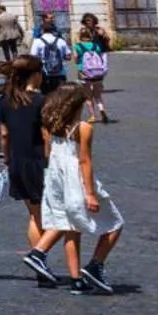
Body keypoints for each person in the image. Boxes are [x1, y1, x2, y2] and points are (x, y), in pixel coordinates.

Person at [39, 85, 124, 295]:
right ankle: (95, 265)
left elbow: (48, 153)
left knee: (70, 227)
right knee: (115, 223)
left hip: (56, 180)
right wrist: (91, 194)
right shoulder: (83, 127)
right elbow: (85, 161)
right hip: (76, 181)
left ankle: (76, 279)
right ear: (76, 104)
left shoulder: (49, 125)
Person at [0, 55, 57, 286]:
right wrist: (50, 160)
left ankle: (41, 267)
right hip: (37, 162)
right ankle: (39, 258)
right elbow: (46, 135)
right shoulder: (41, 101)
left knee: (33, 216)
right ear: (35, 75)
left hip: (17, 163)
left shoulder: (6, 101)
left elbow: (4, 134)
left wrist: (7, 159)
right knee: (50, 216)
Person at [74, 13, 111, 124]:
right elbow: (101, 55)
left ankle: (93, 116)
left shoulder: (78, 46)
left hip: (84, 73)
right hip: (97, 73)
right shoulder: (96, 46)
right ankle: (102, 109)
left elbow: (75, 59)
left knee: (88, 96)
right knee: (98, 95)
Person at [32, 14, 72, 95]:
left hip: (44, 73)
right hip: (60, 72)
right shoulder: (61, 41)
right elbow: (68, 57)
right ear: (53, 30)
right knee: (60, 95)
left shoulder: (37, 41)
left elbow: (33, 57)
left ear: (42, 30)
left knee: (46, 95)